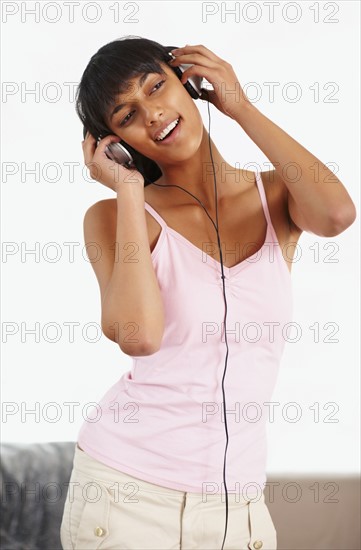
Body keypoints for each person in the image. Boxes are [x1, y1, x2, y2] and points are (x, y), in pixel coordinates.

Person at [60, 36, 356, 550]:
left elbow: (336, 215)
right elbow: (139, 335)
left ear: (189, 85)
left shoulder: (277, 196)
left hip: (238, 506)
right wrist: (129, 190)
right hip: (127, 494)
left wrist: (239, 105)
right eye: (128, 115)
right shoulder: (113, 217)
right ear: (114, 141)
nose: (152, 114)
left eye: (157, 87)